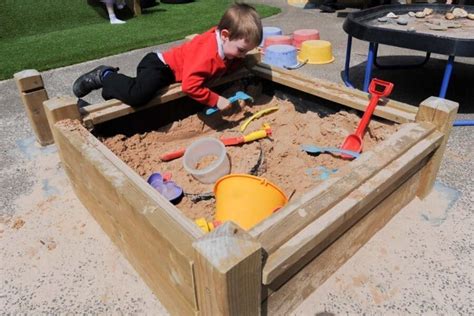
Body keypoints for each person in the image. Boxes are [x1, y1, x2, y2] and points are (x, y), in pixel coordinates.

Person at [73, 3, 263, 111]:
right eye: (241, 50)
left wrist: (244, 59)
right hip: (159, 66)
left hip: (173, 70)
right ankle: (104, 75)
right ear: (225, 36)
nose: (243, 55)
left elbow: (228, 61)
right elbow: (190, 86)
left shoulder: (226, 44)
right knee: (139, 95)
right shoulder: (206, 55)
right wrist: (216, 100)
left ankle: (111, 90)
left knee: (136, 93)